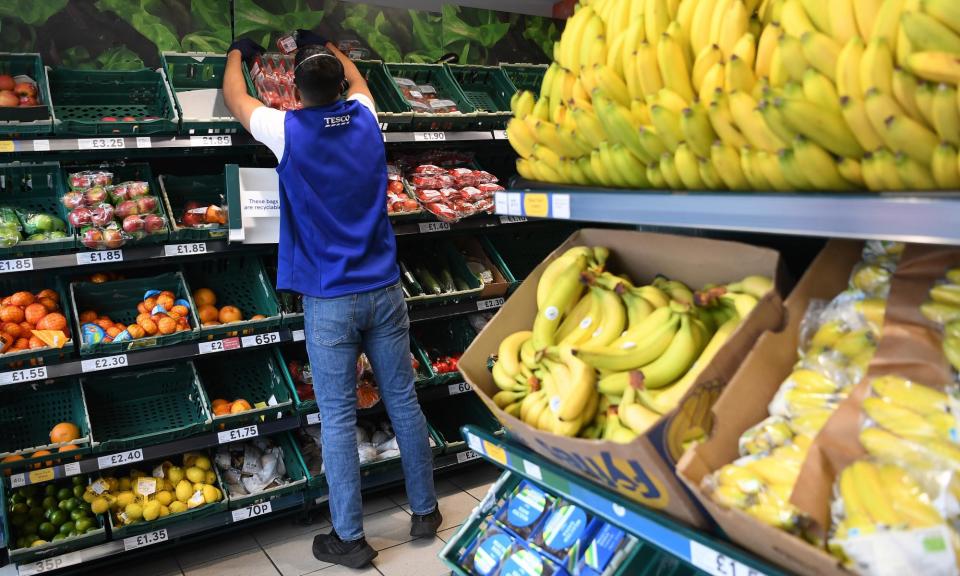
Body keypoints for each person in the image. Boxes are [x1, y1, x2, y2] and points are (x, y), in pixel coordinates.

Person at [222, 35, 441, 569]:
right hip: (386, 290)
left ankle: (350, 538)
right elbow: (360, 83)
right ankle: (426, 512)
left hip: (330, 299)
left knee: (338, 419)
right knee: (404, 402)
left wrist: (237, 55)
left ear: (294, 93)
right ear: (341, 86)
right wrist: (328, 48)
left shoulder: (287, 130)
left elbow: (235, 98)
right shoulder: (367, 119)